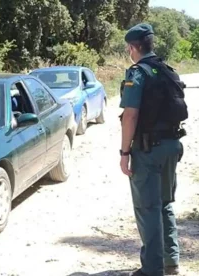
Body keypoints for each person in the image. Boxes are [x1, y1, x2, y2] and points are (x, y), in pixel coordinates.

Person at [119, 23, 187, 276]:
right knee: (165, 203)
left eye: (129, 48)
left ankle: (152, 269)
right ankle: (171, 261)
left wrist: (124, 153)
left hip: (148, 150)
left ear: (133, 47)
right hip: (172, 145)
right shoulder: (166, 70)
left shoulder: (138, 73)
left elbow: (130, 116)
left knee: (148, 208)